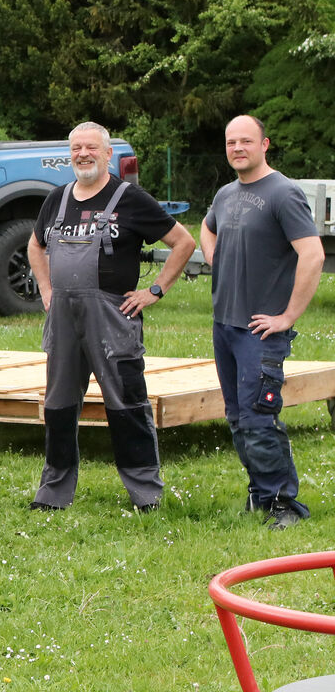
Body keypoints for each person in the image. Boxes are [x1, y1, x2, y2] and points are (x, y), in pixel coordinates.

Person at [25, 121, 195, 512]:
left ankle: (145, 494)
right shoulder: (57, 198)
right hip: (64, 319)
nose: (82, 155)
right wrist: (47, 290)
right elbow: (36, 246)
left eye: (90, 148)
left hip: (112, 317)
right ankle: (53, 493)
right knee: (59, 405)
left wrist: (155, 291)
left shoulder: (129, 197)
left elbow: (183, 242)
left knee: (127, 404)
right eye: (76, 149)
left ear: (106, 154)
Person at [201, 115, 321, 530]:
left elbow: (313, 254)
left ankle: (286, 504)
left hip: (260, 331)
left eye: (246, 141)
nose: (238, 148)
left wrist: (287, 315)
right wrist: (217, 260)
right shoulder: (226, 194)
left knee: (258, 418)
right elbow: (206, 228)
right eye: (231, 141)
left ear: (264, 144)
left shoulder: (283, 193)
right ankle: (260, 493)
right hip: (225, 325)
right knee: (237, 419)